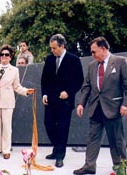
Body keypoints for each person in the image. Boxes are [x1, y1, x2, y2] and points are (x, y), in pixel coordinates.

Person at [73, 37, 127, 175]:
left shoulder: (121, 62)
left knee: (116, 140)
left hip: (113, 108)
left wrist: (125, 105)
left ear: (103, 48)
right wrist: (81, 103)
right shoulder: (92, 65)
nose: (92, 55)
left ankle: (120, 166)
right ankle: (89, 166)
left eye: (94, 51)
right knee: (92, 139)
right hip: (95, 107)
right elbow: (86, 87)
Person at [0, 44, 35, 159]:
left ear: (11, 57)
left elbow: (17, 86)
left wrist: (26, 91)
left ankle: (6, 149)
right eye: (2, 54)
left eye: (7, 55)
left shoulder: (14, 70)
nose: (4, 56)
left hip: (8, 102)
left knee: (6, 126)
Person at [41, 34, 84, 168]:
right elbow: (45, 79)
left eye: (54, 48)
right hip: (51, 100)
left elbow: (79, 80)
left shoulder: (74, 60)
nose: (52, 51)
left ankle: (60, 155)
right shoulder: (49, 59)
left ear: (62, 46)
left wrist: (69, 92)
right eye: (51, 48)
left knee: (62, 128)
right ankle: (56, 148)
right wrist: (44, 94)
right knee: (48, 125)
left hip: (65, 102)